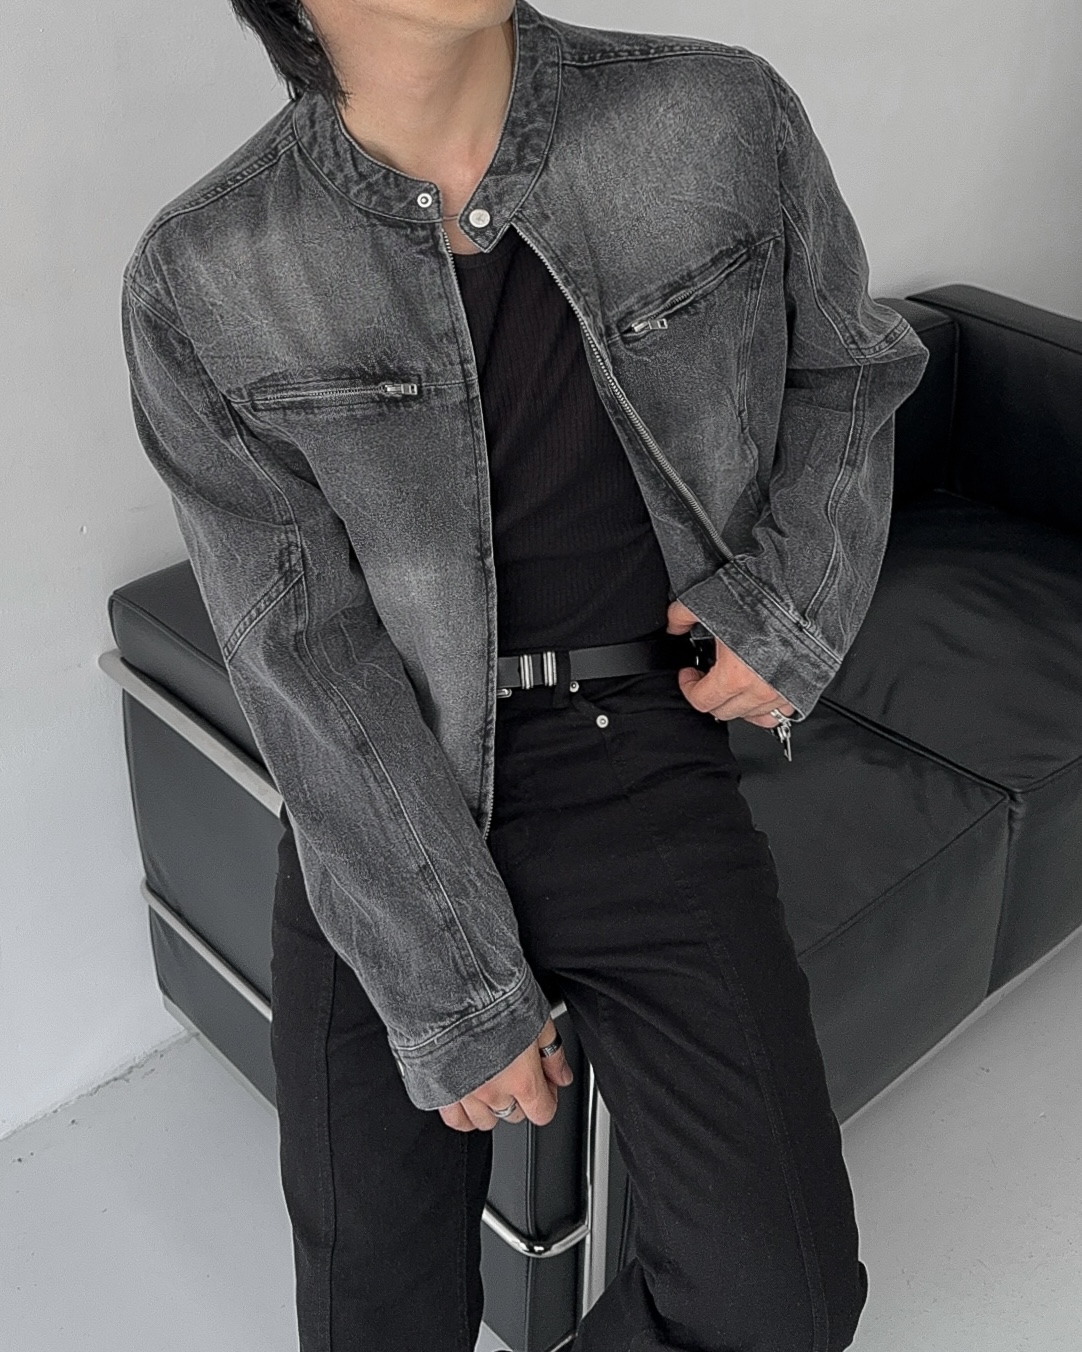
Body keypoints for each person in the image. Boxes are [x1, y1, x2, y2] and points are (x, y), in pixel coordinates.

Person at [120, 2, 930, 1348]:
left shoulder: (714, 116)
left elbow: (848, 370)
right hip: (389, 798)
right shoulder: (207, 271)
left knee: (779, 1304)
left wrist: (787, 605)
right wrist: (450, 986)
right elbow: (301, 654)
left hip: (639, 755)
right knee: (374, 1315)